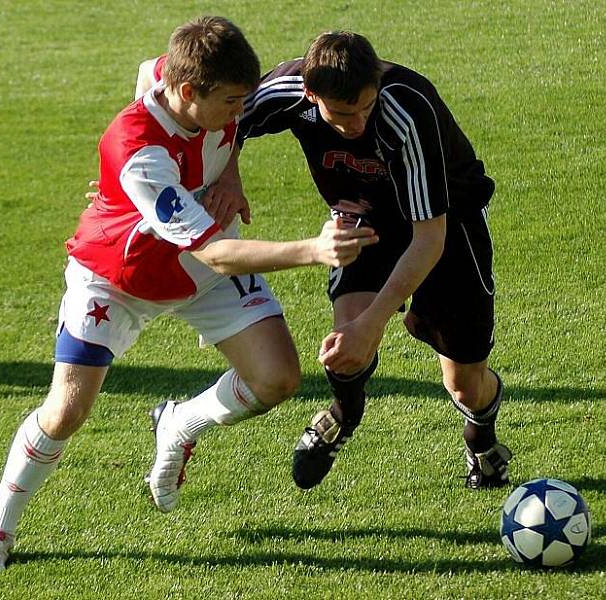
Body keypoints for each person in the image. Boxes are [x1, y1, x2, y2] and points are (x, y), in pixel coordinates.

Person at [0, 18, 377, 576]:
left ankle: (179, 424)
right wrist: (313, 249)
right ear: (188, 93)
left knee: (278, 377)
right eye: (232, 103)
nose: (241, 114)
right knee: (66, 411)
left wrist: (230, 171)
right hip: (118, 279)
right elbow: (216, 254)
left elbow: (203, 116)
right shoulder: (140, 155)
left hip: (196, 269)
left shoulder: (171, 77)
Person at [213, 31, 513, 491]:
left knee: (464, 383)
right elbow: (228, 119)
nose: (357, 124)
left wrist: (374, 323)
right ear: (312, 95)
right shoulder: (287, 89)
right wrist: (229, 174)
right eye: (343, 113)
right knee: (345, 345)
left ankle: (482, 442)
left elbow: (428, 237)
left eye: (366, 108)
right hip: (363, 217)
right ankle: (342, 415)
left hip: (448, 220)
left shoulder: (406, 111)